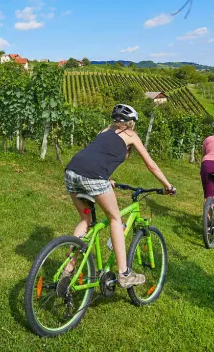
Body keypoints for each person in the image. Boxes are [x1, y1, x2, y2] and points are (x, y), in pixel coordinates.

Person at [62, 104, 175, 289]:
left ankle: (68, 268)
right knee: (115, 219)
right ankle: (124, 273)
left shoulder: (104, 130)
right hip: (93, 176)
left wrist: (107, 178)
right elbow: (151, 165)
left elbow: (97, 154)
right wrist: (168, 185)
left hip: (72, 172)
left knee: (85, 219)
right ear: (131, 122)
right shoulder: (130, 135)